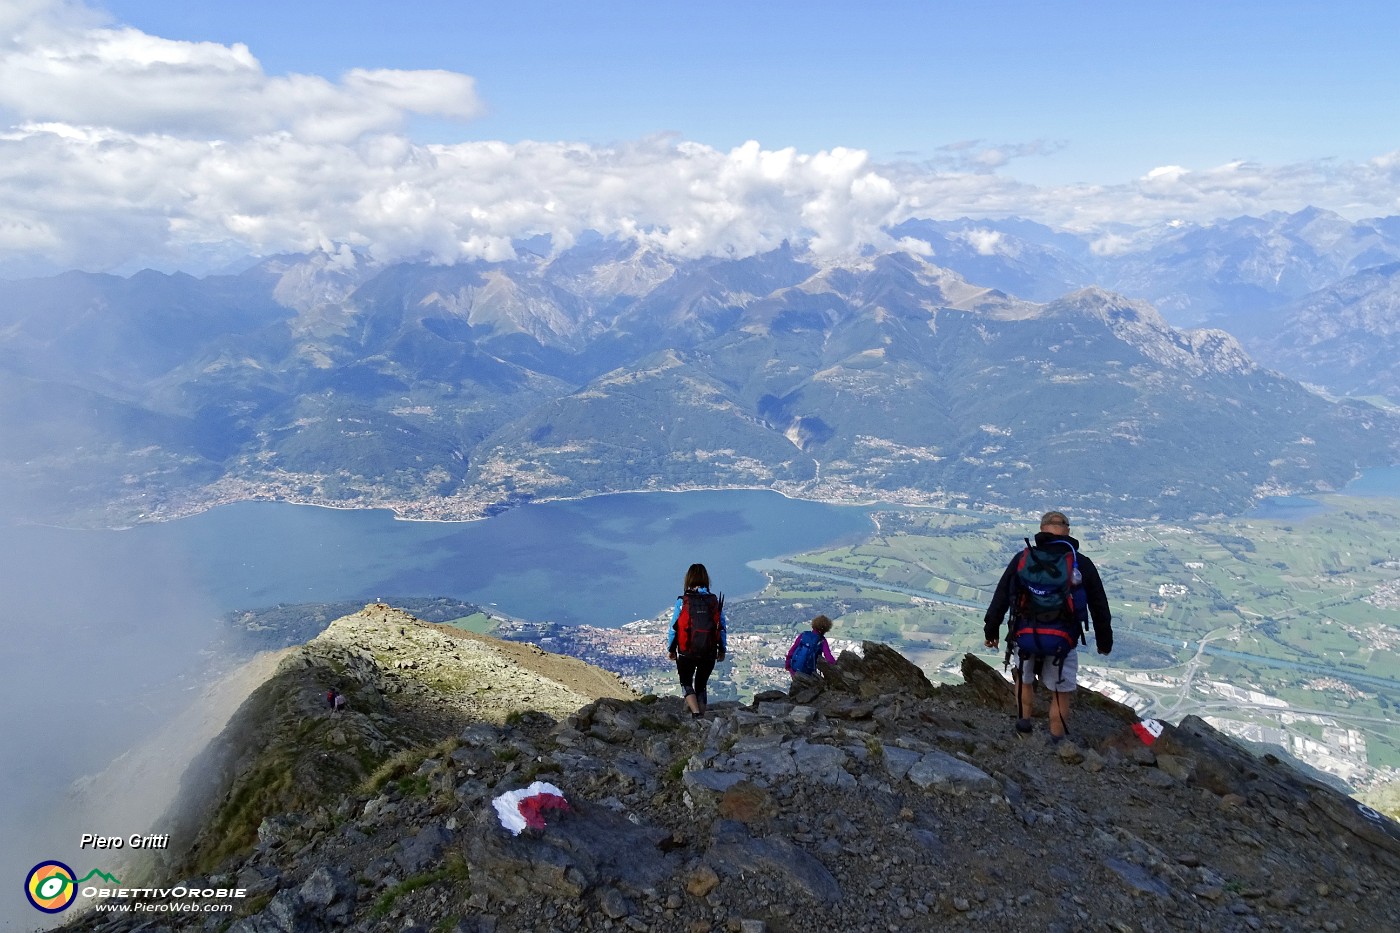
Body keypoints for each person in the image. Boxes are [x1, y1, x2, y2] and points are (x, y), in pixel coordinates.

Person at [983, 511, 1112, 741]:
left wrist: (991, 631)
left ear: (1041, 530)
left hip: (1024, 634)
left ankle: (1023, 726)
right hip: (1063, 638)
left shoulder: (1024, 558)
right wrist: (1104, 642)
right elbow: (1099, 605)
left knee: (1023, 680)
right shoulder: (1080, 564)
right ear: (1068, 531)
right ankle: (1057, 740)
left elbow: (1001, 596)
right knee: (1061, 692)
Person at [667, 563, 728, 718]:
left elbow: (674, 628)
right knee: (701, 685)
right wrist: (722, 649)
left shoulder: (683, 601)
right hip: (709, 651)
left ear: (688, 579)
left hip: (687, 651)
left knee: (686, 683)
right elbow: (721, 627)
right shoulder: (713, 601)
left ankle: (696, 715)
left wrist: (671, 649)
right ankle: (702, 717)